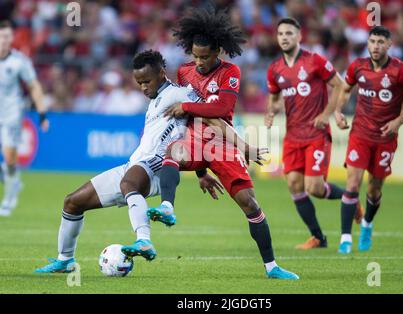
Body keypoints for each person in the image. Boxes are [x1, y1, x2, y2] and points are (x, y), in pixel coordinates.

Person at [35, 49, 258, 273]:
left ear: (162, 73)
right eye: (139, 82)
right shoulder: (154, 100)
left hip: (158, 164)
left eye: (147, 81)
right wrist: (202, 175)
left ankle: (144, 240)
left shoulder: (179, 93)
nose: (143, 87)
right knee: (73, 202)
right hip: (135, 164)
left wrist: (243, 146)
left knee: (129, 184)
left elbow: (213, 120)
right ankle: (65, 260)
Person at [148, 7, 299, 280]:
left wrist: (185, 105)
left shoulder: (231, 72)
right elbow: (190, 116)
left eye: (204, 57)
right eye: (194, 56)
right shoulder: (184, 72)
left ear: (218, 51)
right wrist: (201, 173)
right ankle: (167, 207)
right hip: (194, 139)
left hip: (222, 141)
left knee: (250, 204)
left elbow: (221, 109)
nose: (199, 62)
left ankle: (272, 267)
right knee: (172, 150)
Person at [265, 17, 364, 250]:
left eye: (289, 33)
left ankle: (349, 196)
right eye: (280, 34)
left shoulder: (315, 61)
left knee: (315, 188)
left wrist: (327, 113)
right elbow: (275, 98)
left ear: (299, 36)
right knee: (293, 184)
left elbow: (340, 85)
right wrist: (271, 111)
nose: (284, 37)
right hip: (292, 136)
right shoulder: (275, 69)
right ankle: (318, 237)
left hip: (316, 134)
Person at [334, 26, 403, 254]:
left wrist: (398, 121)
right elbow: (345, 89)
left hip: (385, 137)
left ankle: (367, 225)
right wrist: (338, 111)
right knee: (352, 184)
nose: (375, 46)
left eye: (380, 42)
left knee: (374, 190)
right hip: (360, 134)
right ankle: (345, 238)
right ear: (368, 43)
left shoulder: (400, 70)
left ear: (389, 45)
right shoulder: (358, 66)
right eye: (372, 41)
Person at [0, 20, 49, 217]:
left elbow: (34, 86)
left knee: (10, 158)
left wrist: (42, 113)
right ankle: (13, 182)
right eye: (1, 37)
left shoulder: (19, 61)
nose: (3, 41)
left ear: (11, 38)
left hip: (11, 113)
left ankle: (9, 197)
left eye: (6, 37)